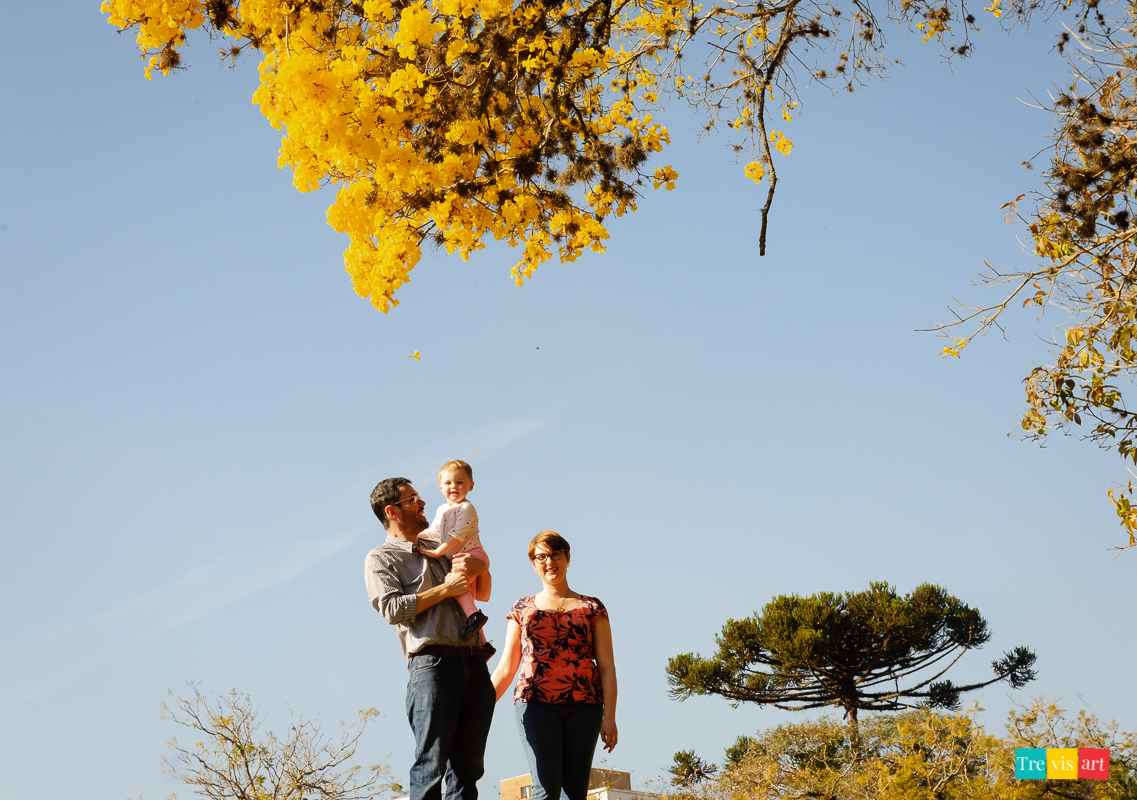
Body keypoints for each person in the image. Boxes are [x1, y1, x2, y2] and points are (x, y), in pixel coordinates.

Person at [364, 477, 496, 800]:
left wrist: (482, 565)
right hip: (432, 667)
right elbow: (392, 609)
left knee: (468, 772)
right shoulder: (381, 558)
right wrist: (444, 590)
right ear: (393, 511)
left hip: (474, 665)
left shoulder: (441, 547)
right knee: (430, 768)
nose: (423, 503)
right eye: (413, 499)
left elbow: (484, 591)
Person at [489, 531, 617, 800]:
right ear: (534, 565)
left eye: (555, 555)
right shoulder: (522, 607)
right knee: (545, 790)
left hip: (585, 705)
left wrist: (610, 717)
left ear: (567, 558)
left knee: (575, 792)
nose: (549, 562)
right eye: (541, 557)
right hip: (535, 704)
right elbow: (505, 668)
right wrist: (478, 707)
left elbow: (606, 666)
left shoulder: (592, 607)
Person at [417, 460, 490, 639]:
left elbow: (457, 536)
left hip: (472, 554)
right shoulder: (442, 509)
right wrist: (416, 538)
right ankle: (481, 639)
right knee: (466, 596)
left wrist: (437, 552)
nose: (453, 487)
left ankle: (474, 615)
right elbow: (434, 531)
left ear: (470, 486)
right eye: (448, 483)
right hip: (458, 558)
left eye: (460, 483)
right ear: (440, 486)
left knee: (455, 582)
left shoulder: (466, 508)